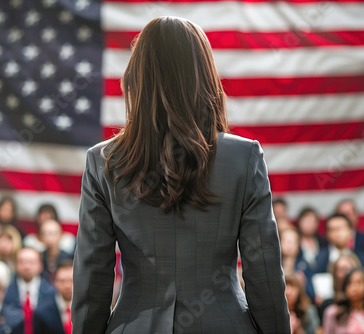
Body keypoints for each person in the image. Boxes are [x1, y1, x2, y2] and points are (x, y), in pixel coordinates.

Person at [72, 16, 290, 334]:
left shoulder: (104, 161)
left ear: (137, 75)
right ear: (203, 74)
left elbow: (93, 281)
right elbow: (264, 275)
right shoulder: (244, 157)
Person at [3, 248, 56, 334]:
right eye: (22, 262)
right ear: (15, 265)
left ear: (40, 265)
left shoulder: (51, 293)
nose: (27, 266)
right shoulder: (5, 292)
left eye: (31, 262)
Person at [34, 259, 74, 334]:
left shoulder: (87, 309)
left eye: (71, 281)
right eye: (62, 281)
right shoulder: (42, 313)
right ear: (55, 282)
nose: (67, 286)